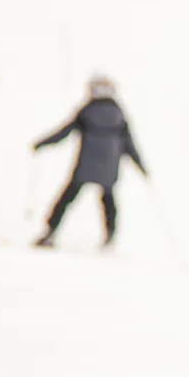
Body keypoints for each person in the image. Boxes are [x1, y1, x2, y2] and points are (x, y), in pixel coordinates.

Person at [30, 75, 146, 248]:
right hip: (109, 168)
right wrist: (141, 167)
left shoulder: (87, 111)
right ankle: (110, 235)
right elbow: (129, 145)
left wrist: (42, 143)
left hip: (85, 166)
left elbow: (63, 132)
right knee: (108, 199)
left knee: (67, 197)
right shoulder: (119, 114)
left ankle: (50, 231)